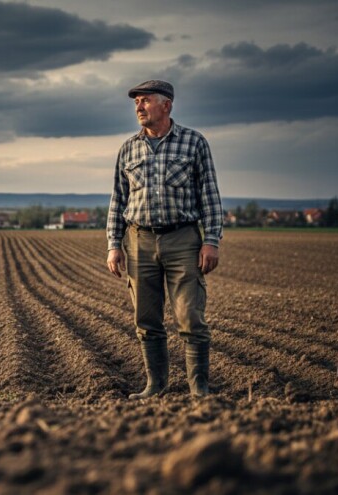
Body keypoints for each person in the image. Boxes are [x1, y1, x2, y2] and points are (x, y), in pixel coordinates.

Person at [106, 80, 223, 399]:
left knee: (190, 315)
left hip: (183, 240)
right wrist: (114, 246)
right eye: (136, 103)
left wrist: (211, 240)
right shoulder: (128, 148)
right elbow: (119, 199)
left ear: (166, 105)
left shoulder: (193, 142)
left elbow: (209, 195)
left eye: (145, 101)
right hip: (138, 240)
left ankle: (199, 387)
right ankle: (155, 385)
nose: (138, 108)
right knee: (146, 319)